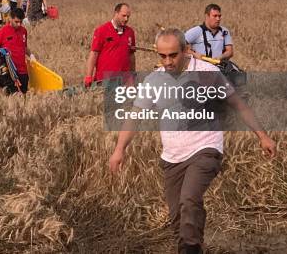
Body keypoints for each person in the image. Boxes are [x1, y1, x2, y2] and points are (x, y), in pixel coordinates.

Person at [109, 28, 277, 254]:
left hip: (205, 149)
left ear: (186, 50)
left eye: (173, 55)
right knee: (178, 219)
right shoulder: (154, 81)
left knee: (189, 200)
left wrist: (263, 136)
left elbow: (238, 104)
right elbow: (135, 116)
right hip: (172, 157)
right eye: (162, 56)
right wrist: (119, 150)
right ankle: (196, 247)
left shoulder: (207, 73)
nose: (167, 61)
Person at [84, 3, 136, 87]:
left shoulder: (130, 32)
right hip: (104, 81)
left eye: (128, 17)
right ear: (116, 13)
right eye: (124, 16)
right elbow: (94, 54)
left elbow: (131, 55)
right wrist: (89, 76)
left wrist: (133, 75)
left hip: (124, 81)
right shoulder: (101, 30)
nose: (126, 19)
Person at [0, 8, 36, 94]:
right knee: (12, 97)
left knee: (24, 95)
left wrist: (31, 55)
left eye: (20, 22)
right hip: (9, 72)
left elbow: (24, 47)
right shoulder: (2, 32)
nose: (19, 24)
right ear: (10, 18)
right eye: (16, 21)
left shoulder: (23, 31)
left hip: (23, 70)